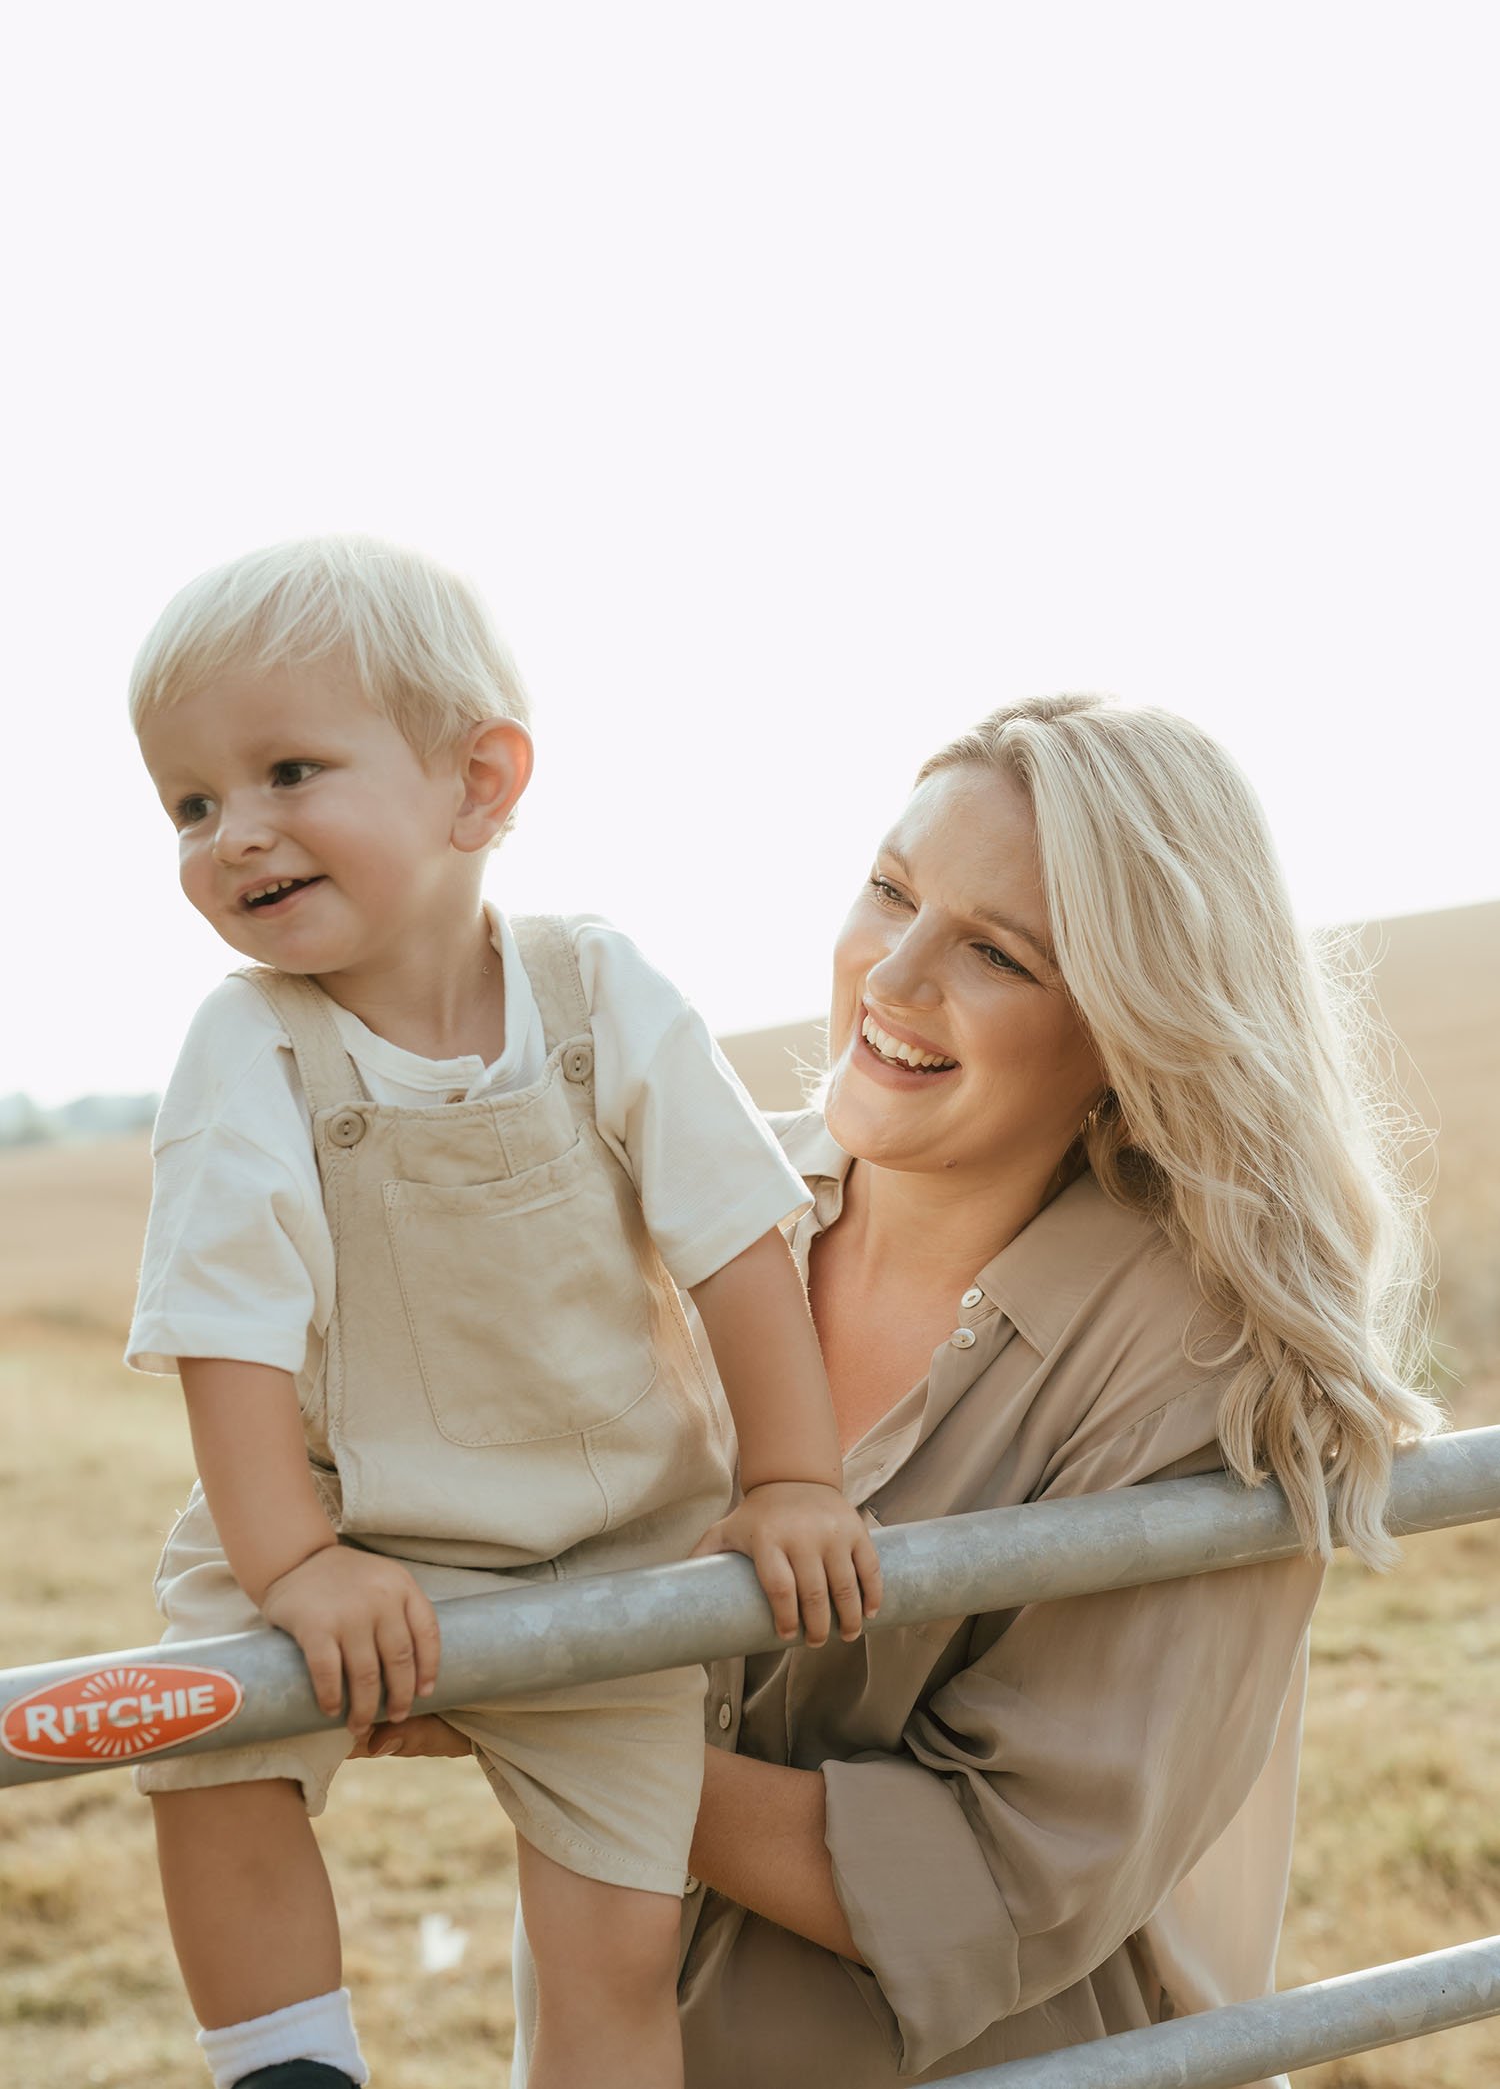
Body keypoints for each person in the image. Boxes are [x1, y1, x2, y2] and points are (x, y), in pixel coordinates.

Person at [375, 691, 1438, 2089]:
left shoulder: (1197, 1356)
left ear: (1132, 1026)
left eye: (996, 953)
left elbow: (1003, 1876)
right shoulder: (683, 1216)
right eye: (890, 889)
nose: (894, 974)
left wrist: (543, 1711)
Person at [123, 533, 880, 2089]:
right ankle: (288, 2067)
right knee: (207, 1753)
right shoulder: (245, 1044)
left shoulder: (599, 992)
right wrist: (298, 1561)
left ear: (479, 783)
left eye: (286, 770)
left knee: (610, 1945)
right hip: (330, 1519)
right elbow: (229, 1325)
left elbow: (742, 1244)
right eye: (190, 803)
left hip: (602, 1545)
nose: (231, 835)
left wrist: (792, 1479)